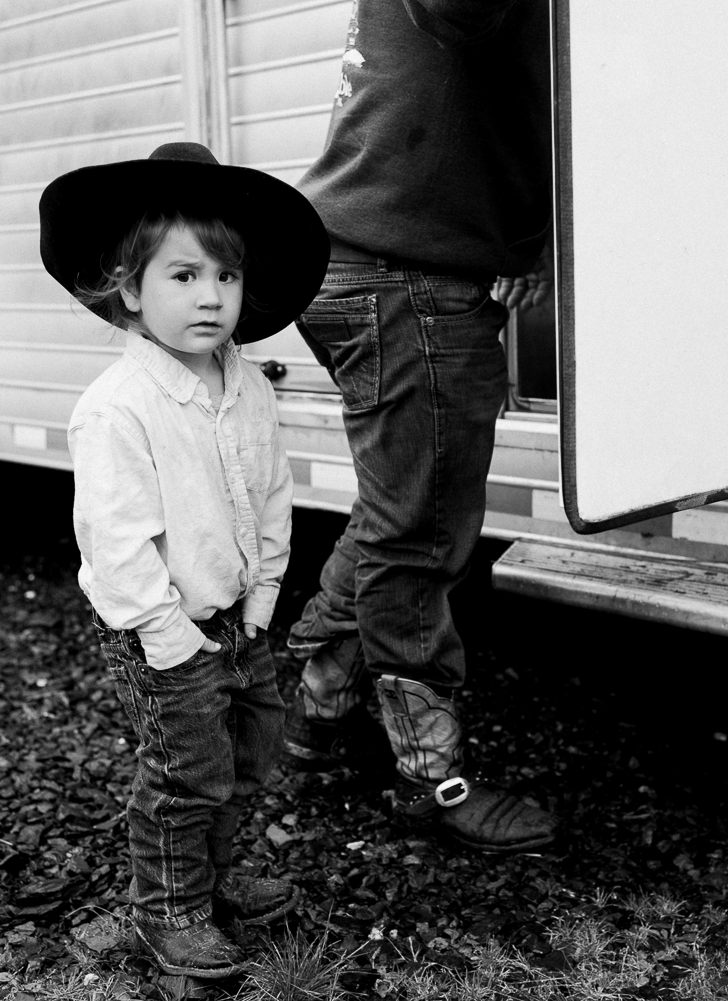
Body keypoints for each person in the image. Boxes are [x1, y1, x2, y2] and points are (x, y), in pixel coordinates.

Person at [39, 143, 329, 978]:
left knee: (247, 758)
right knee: (184, 771)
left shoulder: (249, 386)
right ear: (130, 289)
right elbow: (116, 539)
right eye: (183, 276)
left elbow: (272, 495)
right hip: (166, 634)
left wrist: (264, 602)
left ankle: (215, 877)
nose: (210, 296)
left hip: (241, 621)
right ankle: (169, 908)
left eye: (227, 277)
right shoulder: (118, 408)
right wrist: (167, 636)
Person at [283, 0, 557, 853]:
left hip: (368, 260)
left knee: (400, 505)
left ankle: (312, 708)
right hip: (400, 273)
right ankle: (429, 777)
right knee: (420, 532)